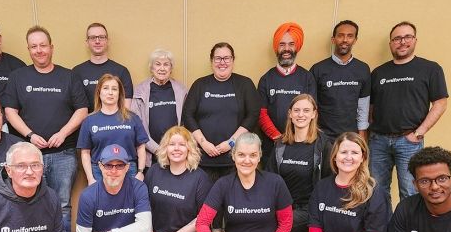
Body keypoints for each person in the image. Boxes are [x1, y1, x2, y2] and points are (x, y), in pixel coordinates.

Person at [4, 25, 88, 232]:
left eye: (43, 45)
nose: (39, 50)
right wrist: (30, 135)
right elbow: (10, 111)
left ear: (51, 47)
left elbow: (82, 110)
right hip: (29, 157)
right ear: (29, 49)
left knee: (62, 204)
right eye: (34, 46)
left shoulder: (69, 77)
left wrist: (63, 132)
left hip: (64, 154)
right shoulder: (18, 77)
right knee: (29, 202)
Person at [370, 21, 449, 203]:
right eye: (397, 38)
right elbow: (371, 107)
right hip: (379, 141)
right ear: (391, 43)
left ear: (415, 40)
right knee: (377, 192)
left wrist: (419, 133)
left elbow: (440, 103)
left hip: (409, 142)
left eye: (407, 37)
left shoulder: (430, 69)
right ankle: (382, 231)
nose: (402, 42)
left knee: (410, 192)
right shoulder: (379, 73)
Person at [265, 94, 332, 232]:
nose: (301, 114)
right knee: (256, 223)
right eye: (296, 110)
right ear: (290, 114)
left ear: (313, 114)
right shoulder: (281, 145)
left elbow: (330, 182)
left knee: (270, 227)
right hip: (283, 207)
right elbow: (269, 179)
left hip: (310, 209)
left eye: (306, 110)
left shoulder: (323, 145)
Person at [182, 42, 260, 182]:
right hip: (203, 160)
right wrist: (203, 143)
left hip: (236, 160)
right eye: (218, 58)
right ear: (212, 61)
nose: (222, 62)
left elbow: (253, 115)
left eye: (226, 58)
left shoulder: (245, 84)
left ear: (233, 60)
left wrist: (231, 143)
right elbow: (187, 116)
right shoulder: (200, 85)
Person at [145, 126, 212, 232]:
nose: (176, 149)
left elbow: (203, 218)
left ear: (189, 148)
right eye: (172, 144)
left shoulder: (200, 178)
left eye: (181, 144)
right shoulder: (154, 171)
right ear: (165, 148)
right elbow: (143, 206)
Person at [258, 22, 316, 161]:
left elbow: (311, 112)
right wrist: (278, 138)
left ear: (297, 47)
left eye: (291, 44)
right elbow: (261, 114)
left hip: (301, 145)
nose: (286, 49)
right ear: (276, 48)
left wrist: (296, 137)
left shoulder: (307, 78)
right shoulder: (266, 79)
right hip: (272, 145)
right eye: (282, 44)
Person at [78, 74, 149, 184]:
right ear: (99, 92)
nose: (110, 92)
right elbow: (85, 152)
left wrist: (140, 172)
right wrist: (90, 178)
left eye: (114, 89)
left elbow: (141, 147)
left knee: (129, 201)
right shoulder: (89, 120)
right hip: (99, 171)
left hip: (128, 170)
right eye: (106, 88)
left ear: (119, 93)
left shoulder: (132, 118)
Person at [310, 20, 370, 142]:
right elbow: (311, 105)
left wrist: (362, 133)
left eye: (350, 36)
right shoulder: (318, 69)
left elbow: (363, 105)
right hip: (322, 136)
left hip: (351, 136)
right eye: (340, 35)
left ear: (355, 40)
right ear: (333, 39)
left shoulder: (363, 69)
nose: (345, 40)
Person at [131, 49, 188, 167]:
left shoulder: (181, 91)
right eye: (158, 64)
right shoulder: (140, 91)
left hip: (176, 155)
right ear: (151, 68)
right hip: (150, 156)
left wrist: (173, 149)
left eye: (166, 64)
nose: (162, 68)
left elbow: (186, 123)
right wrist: (159, 150)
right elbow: (136, 128)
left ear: (171, 68)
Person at [72, 22, 133, 109]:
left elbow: (126, 107)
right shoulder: (77, 72)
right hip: (86, 122)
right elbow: (76, 107)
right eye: (93, 38)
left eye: (101, 37)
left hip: (115, 122)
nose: (97, 41)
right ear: (87, 42)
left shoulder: (121, 71)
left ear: (107, 41)